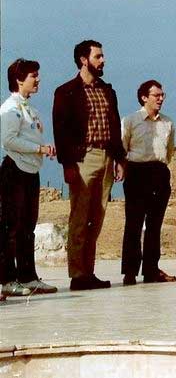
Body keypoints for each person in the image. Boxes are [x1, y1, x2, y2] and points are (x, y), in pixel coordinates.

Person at [53, 40, 126, 290]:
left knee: (98, 217)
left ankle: (89, 272)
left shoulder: (107, 90)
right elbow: (60, 131)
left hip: (107, 157)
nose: (103, 60)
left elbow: (114, 126)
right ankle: (77, 274)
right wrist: (67, 165)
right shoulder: (67, 92)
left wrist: (119, 160)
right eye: (98, 56)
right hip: (83, 159)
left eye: (103, 56)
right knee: (80, 217)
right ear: (84, 60)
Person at [0, 59, 58, 297]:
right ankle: (6, 280)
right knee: (10, 228)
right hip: (14, 171)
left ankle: (29, 277)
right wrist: (39, 149)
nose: (38, 80)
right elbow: (8, 140)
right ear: (19, 80)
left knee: (27, 227)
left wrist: (43, 149)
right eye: (34, 75)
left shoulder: (30, 110)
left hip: (31, 172)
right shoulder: (9, 108)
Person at [120, 80, 176, 285]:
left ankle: (151, 269)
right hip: (136, 173)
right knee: (133, 223)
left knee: (155, 225)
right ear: (144, 97)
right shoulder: (131, 121)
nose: (160, 99)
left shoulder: (167, 123)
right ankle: (130, 271)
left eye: (162, 95)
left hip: (159, 172)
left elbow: (169, 151)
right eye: (156, 95)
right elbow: (122, 147)